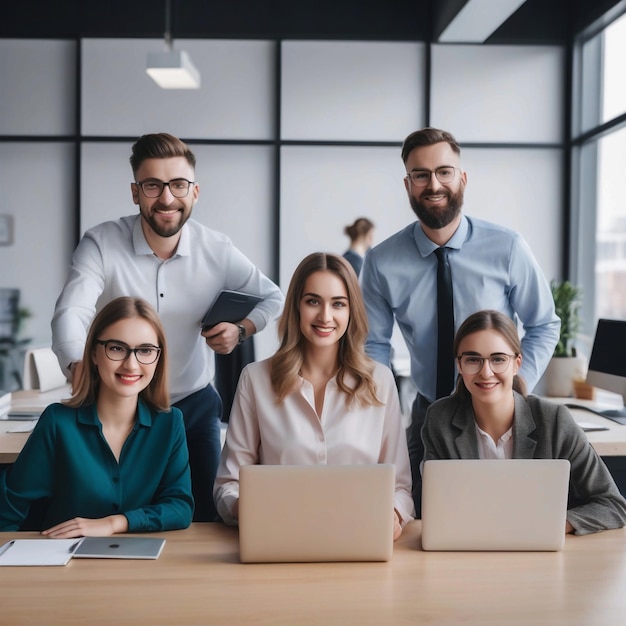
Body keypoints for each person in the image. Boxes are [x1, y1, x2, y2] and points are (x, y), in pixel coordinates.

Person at [51, 133, 284, 522]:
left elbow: (273, 297)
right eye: (152, 185)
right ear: (135, 192)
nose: (166, 198)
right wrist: (77, 365)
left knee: (206, 518)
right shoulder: (102, 242)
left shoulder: (216, 248)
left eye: (178, 184)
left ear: (194, 191)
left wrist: (241, 330)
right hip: (119, 403)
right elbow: (71, 310)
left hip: (191, 405)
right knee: (115, 514)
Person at [361, 127, 560, 515]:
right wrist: (381, 409)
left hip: (501, 408)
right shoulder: (382, 261)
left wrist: (516, 385)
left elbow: (544, 324)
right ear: (408, 184)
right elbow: (373, 344)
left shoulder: (507, 247)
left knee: (510, 517)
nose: (433, 184)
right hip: (427, 413)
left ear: (462, 178)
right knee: (421, 517)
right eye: (421, 175)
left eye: (444, 172)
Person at [214, 253, 414, 539]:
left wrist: (393, 514)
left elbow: (400, 487)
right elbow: (228, 484)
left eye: (338, 304)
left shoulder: (379, 381)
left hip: (358, 538)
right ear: (296, 307)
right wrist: (242, 507)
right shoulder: (256, 380)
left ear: (351, 311)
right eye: (313, 301)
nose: (325, 316)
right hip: (279, 538)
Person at [421, 310, 626, 535]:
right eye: (473, 360)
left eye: (498, 359)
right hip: (469, 546)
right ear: (459, 365)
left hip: (539, 552)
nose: (486, 372)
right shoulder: (440, 419)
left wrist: (552, 525)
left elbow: (613, 504)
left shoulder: (554, 420)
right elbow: (436, 508)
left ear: (517, 363)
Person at [0, 296, 194, 535]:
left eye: (145, 350)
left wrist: (115, 523)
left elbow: (180, 507)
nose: (131, 365)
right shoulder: (57, 422)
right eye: (116, 348)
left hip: (140, 563)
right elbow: (9, 510)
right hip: (62, 561)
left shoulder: (170, 423)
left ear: (158, 357)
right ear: (93, 354)